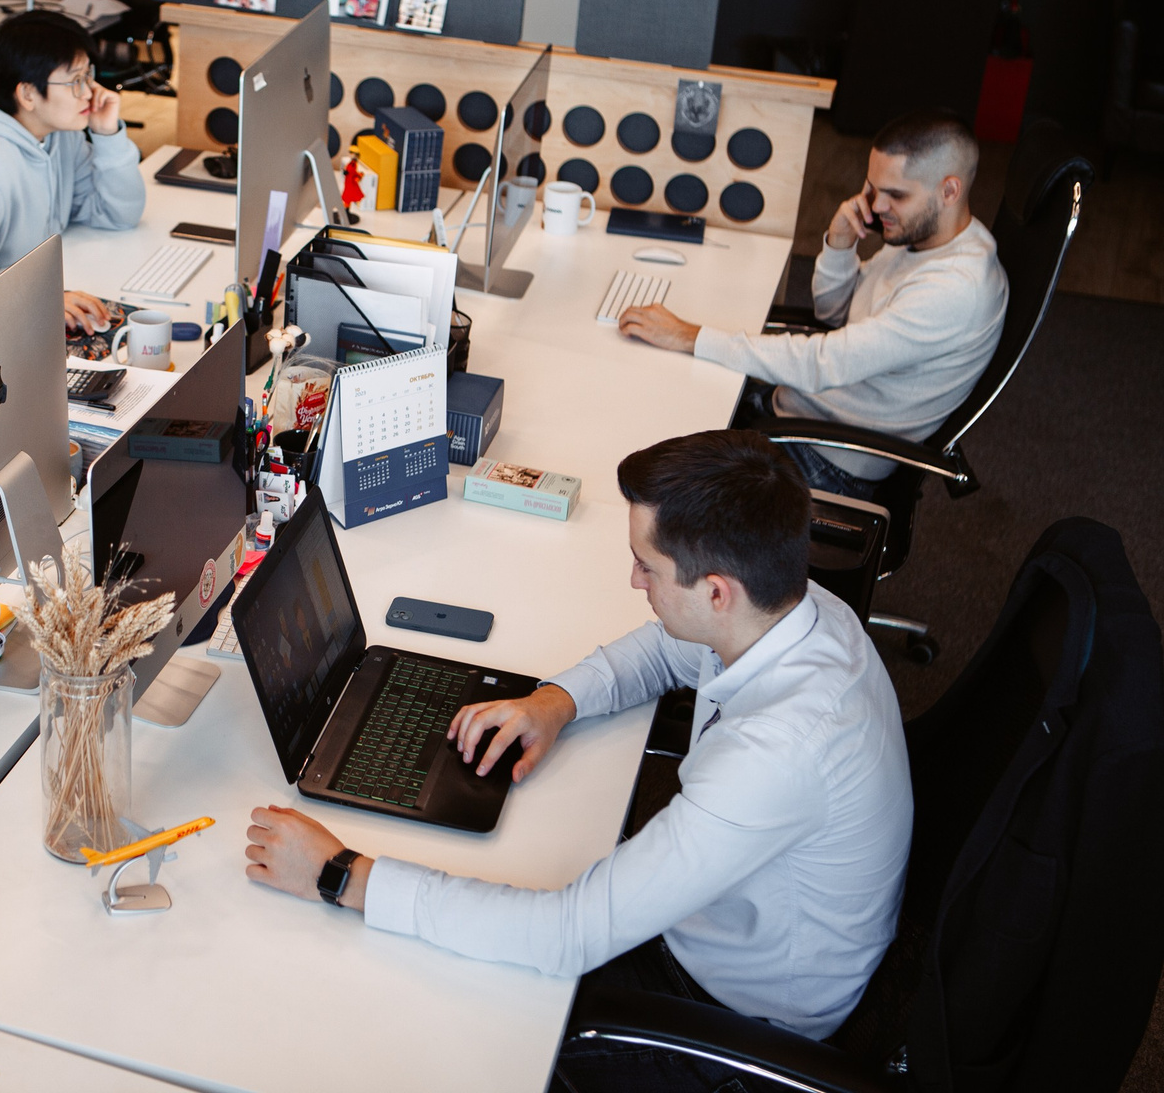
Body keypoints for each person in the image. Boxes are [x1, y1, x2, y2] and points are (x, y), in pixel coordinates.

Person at [245, 430, 911, 1092]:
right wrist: (554, 702)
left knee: (441, 1026)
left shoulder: (777, 755)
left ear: (717, 591)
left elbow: (565, 935)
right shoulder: (794, 607)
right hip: (735, 920)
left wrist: (340, 874)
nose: (633, 580)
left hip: (738, 1017)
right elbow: (666, 649)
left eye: (647, 567)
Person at [616, 109, 1006, 500]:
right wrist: (840, 244)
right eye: (873, 189)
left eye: (896, 195)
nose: (877, 206)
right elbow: (833, 315)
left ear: (949, 191)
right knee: (659, 391)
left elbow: (825, 361)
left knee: (655, 478)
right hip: (798, 409)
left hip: (827, 457)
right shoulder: (922, 238)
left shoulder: (953, 289)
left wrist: (690, 336)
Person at [0, 10, 146, 332]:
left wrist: (108, 136)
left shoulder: (58, 134)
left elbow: (119, 214)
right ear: (28, 94)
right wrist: (39, 299)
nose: (90, 92)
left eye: (88, 75)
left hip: (28, 302)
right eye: (75, 81)